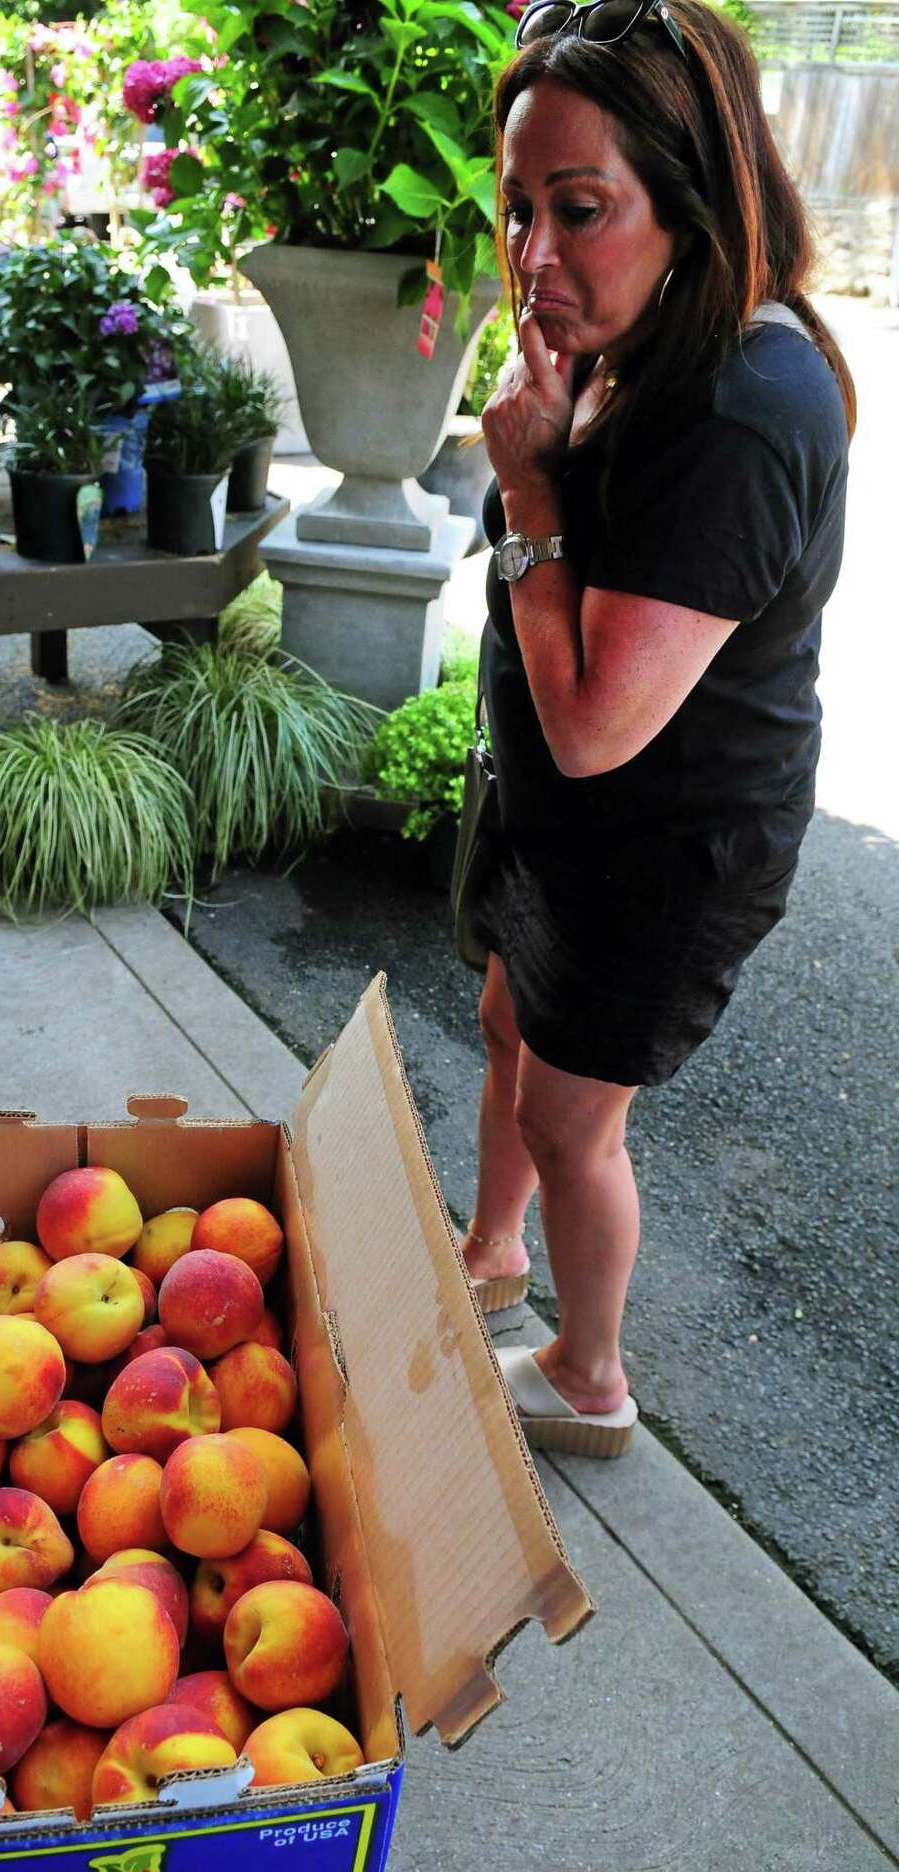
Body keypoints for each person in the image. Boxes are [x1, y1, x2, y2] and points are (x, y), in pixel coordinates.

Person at [462, 0, 853, 1455]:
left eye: (582, 209)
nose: (536, 257)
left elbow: (592, 726)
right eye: (517, 209)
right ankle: (494, 1256)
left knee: (576, 1120)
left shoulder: (746, 408)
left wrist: (532, 495)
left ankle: (588, 1378)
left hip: (663, 843)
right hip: (572, 825)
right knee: (509, 1018)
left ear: (689, 200)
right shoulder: (645, 333)